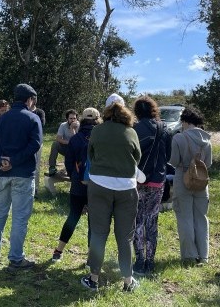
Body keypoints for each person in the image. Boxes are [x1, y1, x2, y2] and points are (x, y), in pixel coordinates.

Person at [81, 93, 141, 293]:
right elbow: (137, 157)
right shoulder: (131, 132)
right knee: (125, 237)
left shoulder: (97, 131)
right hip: (126, 188)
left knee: (99, 233)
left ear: (105, 110)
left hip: (99, 186)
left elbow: (91, 154)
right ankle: (127, 280)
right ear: (124, 110)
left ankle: (94, 278)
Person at [0, 83, 42, 270]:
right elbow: (35, 145)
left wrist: (3, 160)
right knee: (19, 217)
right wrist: (14, 160)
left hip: (3, 173)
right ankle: (16, 258)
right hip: (23, 174)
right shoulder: (33, 118)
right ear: (30, 99)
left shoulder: (1, 119)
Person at [51, 107, 100, 262]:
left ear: (82, 120)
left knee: (72, 217)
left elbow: (69, 163)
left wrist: (75, 178)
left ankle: (58, 251)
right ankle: (91, 258)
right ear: (97, 119)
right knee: (94, 222)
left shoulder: (75, 139)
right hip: (97, 185)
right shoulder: (101, 138)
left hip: (78, 185)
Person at [132, 96, 171, 277]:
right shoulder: (165, 129)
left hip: (138, 180)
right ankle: (151, 261)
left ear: (137, 112)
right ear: (154, 109)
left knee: (138, 220)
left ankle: (139, 261)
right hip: (158, 181)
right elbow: (168, 156)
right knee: (152, 221)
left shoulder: (134, 129)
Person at [168, 106, 212, 266]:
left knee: (185, 217)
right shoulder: (207, 139)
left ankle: (189, 255)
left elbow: (173, 161)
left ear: (185, 121)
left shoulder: (179, 138)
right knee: (201, 217)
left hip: (183, 179)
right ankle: (204, 255)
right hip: (202, 180)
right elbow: (208, 163)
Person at [48, 109, 79, 177]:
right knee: (55, 144)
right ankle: (52, 167)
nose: (73, 120)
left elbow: (76, 141)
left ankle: (73, 168)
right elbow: (58, 138)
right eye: (71, 118)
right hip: (66, 147)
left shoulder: (79, 126)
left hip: (76, 150)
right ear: (67, 119)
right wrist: (68, 142)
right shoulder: (63, 125)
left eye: (74, 118)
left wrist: (72, 129)